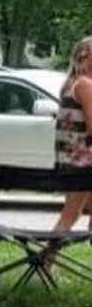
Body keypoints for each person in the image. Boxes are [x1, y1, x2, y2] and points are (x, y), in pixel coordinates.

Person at [53, 35, 92, 231]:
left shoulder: (71, 84)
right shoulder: (85, 85)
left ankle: (45, 261)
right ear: (85, 57)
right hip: (82, 166)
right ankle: (44, 261)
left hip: (70, 163)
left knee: (71, 216)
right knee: (69, 217)